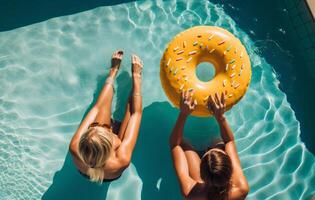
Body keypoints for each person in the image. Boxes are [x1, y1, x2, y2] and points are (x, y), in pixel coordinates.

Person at [69, 50, 143, 183]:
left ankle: (113, 75)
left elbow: (98, 107)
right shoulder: (121, 159)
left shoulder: (75, 147)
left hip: (86, 171)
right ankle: (126, 87)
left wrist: (112, 73)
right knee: (130, 110)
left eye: (94, 126)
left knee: (101, 110)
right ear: (111, 147)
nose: (109, 126)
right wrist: (136, 77)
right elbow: (136, 113)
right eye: (108, 131)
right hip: (111, 173)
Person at [169, 90, 249, 200]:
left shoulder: (190, 192)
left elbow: (174, 144)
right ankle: (217, 146)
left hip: (202, 191)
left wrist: (183, 114)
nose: (207, 150)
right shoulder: (241, 189)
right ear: (231, 171)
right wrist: (220, 118)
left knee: (182, 145)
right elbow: (229, 142)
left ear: (201, 173)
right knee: (220, 144)